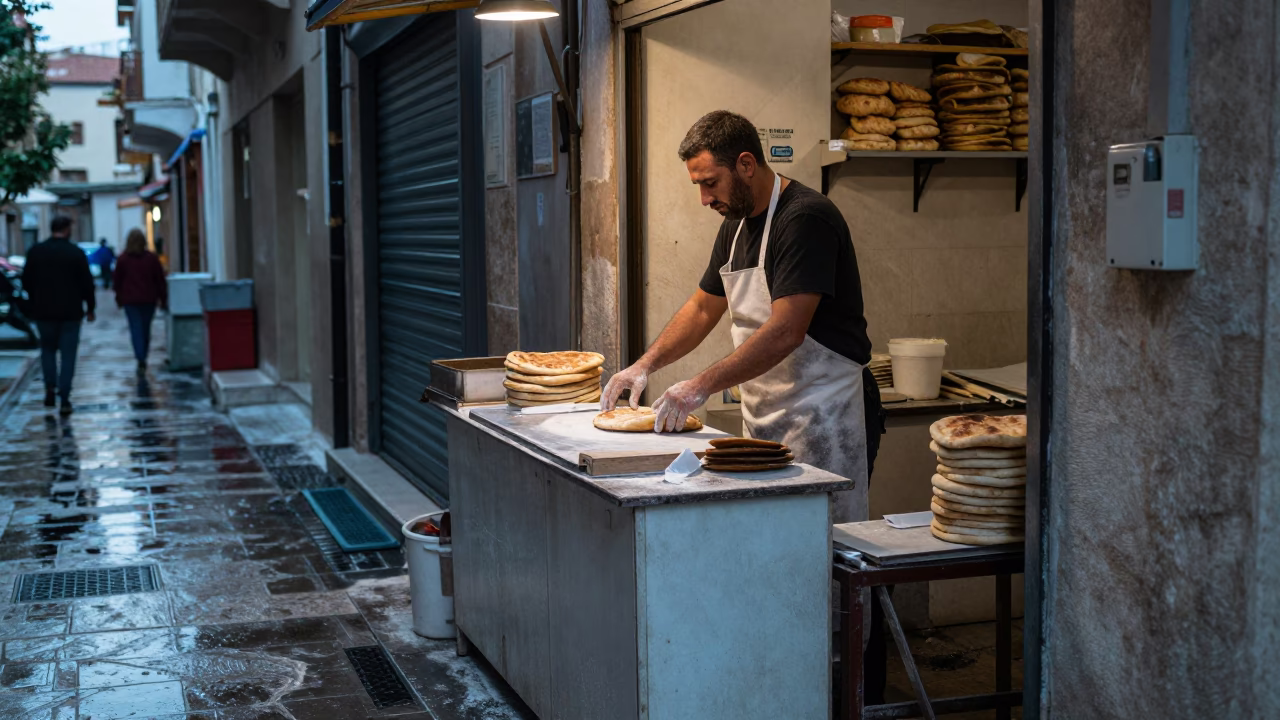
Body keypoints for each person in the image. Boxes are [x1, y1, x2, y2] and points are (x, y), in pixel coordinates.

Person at [602, 110, 886, 522]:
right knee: (772, 538)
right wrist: (644, 366)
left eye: (710, 183)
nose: (704, 199)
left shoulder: (805, 218)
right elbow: (702, 308)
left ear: (746, 164)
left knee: (828, 544)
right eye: (698, 185)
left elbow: (787, 330)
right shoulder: (734, 226)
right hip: (766, 415)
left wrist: (698, 386)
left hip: (826, 412)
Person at [22, 215, 95, 414]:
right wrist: (90, 308)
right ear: (66, 229)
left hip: (44, 311)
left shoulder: (36, 252)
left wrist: (35, 298)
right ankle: (64, 397)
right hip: (71, 312)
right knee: (68, 355)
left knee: (47, 351)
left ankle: (49, 387)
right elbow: (87, 283)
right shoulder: (75, 253)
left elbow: (26, 280)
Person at [113, 228, 167, 372]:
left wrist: (119, 298)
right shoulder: (151, 258)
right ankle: (143, 355)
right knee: (146, 328)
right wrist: (163, 299)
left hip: (130, 300)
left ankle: (140, 357)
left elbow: (117, 281)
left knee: (135, 328)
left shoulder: (123, 259)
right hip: (149, 299)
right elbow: (159, 280)